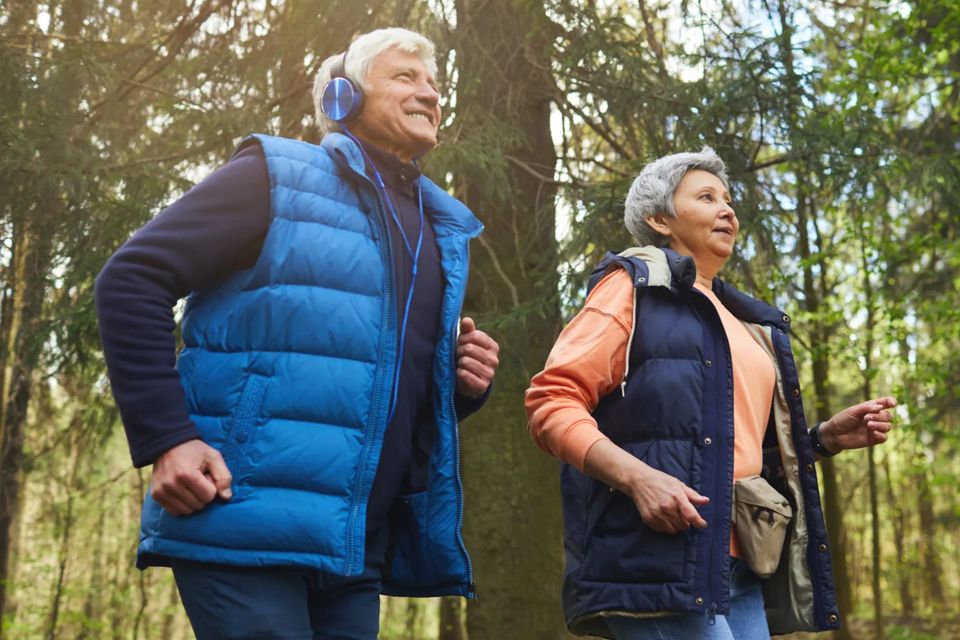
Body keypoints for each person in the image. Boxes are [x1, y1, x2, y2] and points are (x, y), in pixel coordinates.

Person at [95, 27, 500, 639]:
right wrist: (166, 439)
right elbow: (132, 277)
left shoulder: (439, 230)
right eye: (405, 77)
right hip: (242, 516)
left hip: (354, 546)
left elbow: (366, 388)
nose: (430, 93)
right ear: (344, 98)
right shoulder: (277, 175)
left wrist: (457, 385)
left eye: (435, 84)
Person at [525, 148, 895, 639]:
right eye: (706, 197)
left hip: (740, 564)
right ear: (660, 219)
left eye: (728, 199)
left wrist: (822, 439)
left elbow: (731, 450)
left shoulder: (745, 322)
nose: (727, 209)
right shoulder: (632, 288)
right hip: (658, 563)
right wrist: (639, 480)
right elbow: (551, 401)